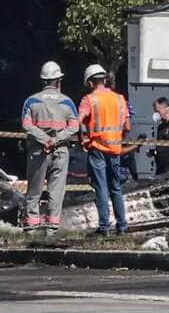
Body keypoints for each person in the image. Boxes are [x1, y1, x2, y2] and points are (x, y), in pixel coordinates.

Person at [20, 61, 79, 232]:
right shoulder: (67, 102)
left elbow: (26, 125)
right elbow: (74, 127)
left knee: (34, 190)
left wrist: (44, 139)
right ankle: (51, 228)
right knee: (56, 191)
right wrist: (56, 140)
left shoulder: (31, 101)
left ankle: (31, 227)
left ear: (43, 80)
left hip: (38, 150)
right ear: (59, 80)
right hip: (60, 151)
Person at [78, 64, 131, 237]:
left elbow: (79, 120)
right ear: (105, 80)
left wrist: (82, 136)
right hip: (115, 149)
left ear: (90, 83)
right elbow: (127, 126)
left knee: (101, 187)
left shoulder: (89, 100)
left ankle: (104, 228)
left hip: (97, 149)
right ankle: (122, 226)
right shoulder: (119, 99)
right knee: (116, 187)